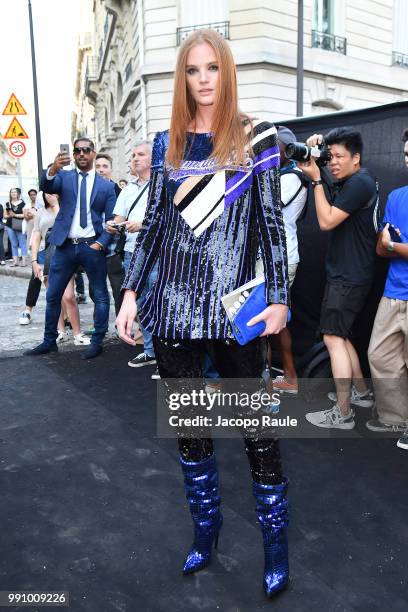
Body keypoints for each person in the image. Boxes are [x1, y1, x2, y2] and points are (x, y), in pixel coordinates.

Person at [116, 30, 290, 597]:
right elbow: (156, 231)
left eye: (212, 68)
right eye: (193, 70)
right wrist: (130, 294)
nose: (204, 79)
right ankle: (205, 532)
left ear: (227, 70)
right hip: (173, 311)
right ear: (183, 78)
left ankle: (275, 546)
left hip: (237, 310)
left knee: (256, 430)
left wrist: (281, 298)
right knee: (192, 433)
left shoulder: (256, 137)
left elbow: (271, 228)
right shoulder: (168, 143)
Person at [298, 128, 377, 430]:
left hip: (348, 276)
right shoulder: (357, 181)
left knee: (332, 338)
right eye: (330, 157)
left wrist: (316, 179)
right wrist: (317, 154)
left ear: (356, 158)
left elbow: (327, 220)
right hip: (351, 274)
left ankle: (343, 412)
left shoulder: (359, 183)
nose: (333, 163)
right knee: (341, 337)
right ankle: (361, 393)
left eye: (339, 156)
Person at [24, 137, 116, 360]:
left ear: (93, 153)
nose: (81, 154)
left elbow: (112, 220)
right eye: (77, 151)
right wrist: (54, 167)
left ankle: (97, 342)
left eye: (86, 150)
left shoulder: (107, 186)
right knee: (54, 295)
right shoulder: (64, 177)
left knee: (101, 296)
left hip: (91, 246)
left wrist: (101, 243)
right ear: (73, 155)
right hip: (64, 246)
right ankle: (49, 341)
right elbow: (45, 185)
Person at [366, 128, 408, 450]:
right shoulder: (396, 197)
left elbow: (391, 244)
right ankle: (396, 419)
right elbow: (382, 249)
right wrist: (391, 244)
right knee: (380, 356)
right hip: (393, 291)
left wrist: (393, 244)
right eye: (406, 154)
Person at [107, 142, 158, 375]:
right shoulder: (127, 190)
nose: (135, 159)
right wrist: (112, 226)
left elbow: (171, 221)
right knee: (142, 304)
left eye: (141, 154)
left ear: (153, 157)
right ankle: (150, 351)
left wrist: (144, 225)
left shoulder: (163, 185)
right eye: (133, 155)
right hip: (131, 252)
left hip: (158, 253)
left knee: (161, 303)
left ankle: (167, 356)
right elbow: (118, 219)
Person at [270, 126, 308, 395]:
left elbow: (267, 207)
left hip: (281, 258)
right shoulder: (280, 174)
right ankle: (284, 374)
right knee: (271, 319)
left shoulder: (291, 177)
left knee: (273, 319)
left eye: (275, 148)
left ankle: (289, 377)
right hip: (274, 257)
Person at [28, 192, 90, 346]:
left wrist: (56, 206)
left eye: (54, 192)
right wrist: (34, 261)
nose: (50, 195)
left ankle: (77, 333)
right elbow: (36, 236)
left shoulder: (66, 208)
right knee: (53, 296)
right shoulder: (40, 212)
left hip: (64, 254)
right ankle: (60, 331)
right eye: (48, 192)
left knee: (69, 296)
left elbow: (65, 227)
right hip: (45, 254)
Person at [94, 152, 124, 316]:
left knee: (118, 288)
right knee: (96, 291)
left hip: (114, 249)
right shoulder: (89, 190)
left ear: (111, 169)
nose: (101, 170)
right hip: (94, 248)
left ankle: (122, 326)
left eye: (104, 166)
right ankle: (100, 325)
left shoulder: (118, 191)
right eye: (97, 166)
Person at [3, 187, 28, 267]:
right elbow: (4, 216)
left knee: (22, 243)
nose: (13, 193)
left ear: (18, 194)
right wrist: (9, 215)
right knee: (13, 244)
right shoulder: (8, 203)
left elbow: (25, 215)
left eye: (15, 192)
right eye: (11, 192)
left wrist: (15, 215)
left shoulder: (23, 203)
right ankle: (15, 261)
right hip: (10, 226)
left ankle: (24, 261)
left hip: (20, 225)